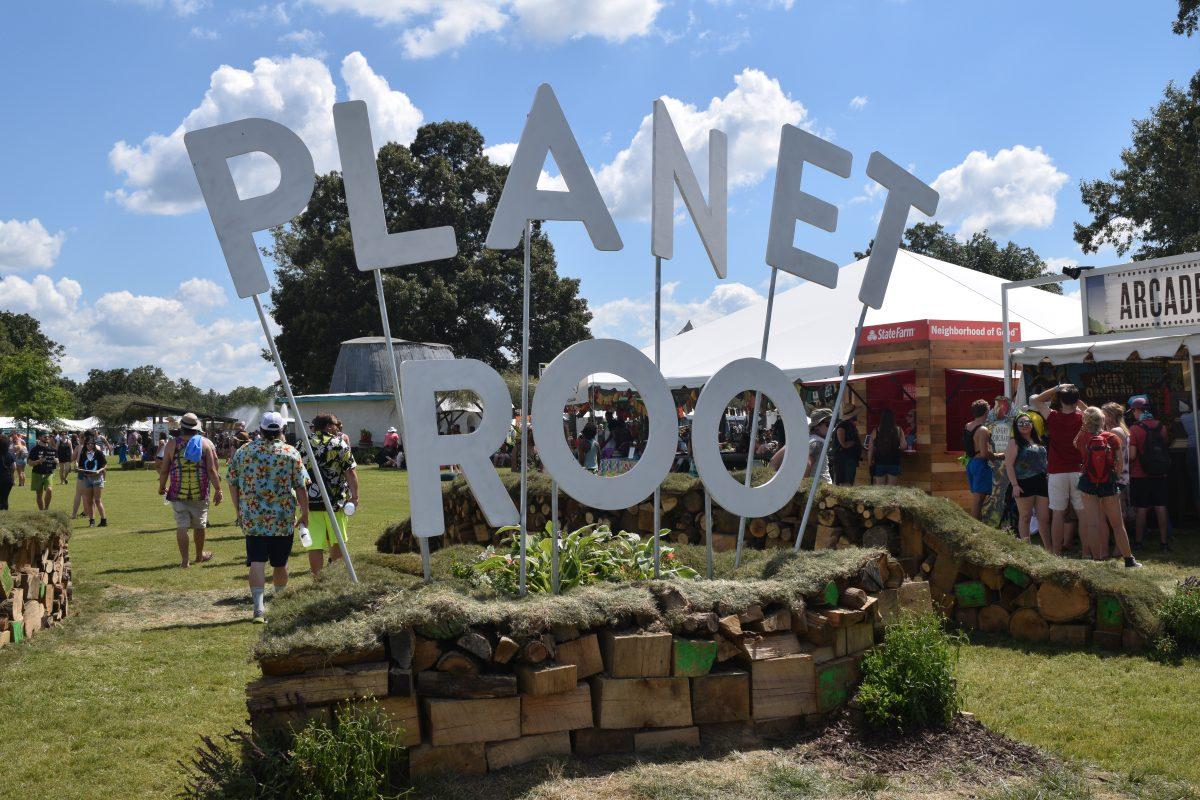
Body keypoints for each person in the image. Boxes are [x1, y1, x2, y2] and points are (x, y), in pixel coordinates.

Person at [227, 411, 309, 623]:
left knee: (256, 561)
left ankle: (258, 610)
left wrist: (238, 509)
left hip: (253, 517)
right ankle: (280, 605)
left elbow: (232, 481)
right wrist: (305, 513)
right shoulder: (290, 453)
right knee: (280, 564)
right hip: (282, 518)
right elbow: (301, 487)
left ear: (261, 429)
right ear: (281, 430)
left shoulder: (244, 451)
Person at [1074, 407, 1141, 568]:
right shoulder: (1111, 437)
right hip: (1108, 482)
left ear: (1085, 421)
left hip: (1088, 482)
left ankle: (1097, 561)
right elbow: (1119, 462)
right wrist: (1115, 478)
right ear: (1103, 420)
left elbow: (1075, 444)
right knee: (1117, 524)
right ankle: (1129, 559)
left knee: (1093, 523)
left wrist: (1083, 427)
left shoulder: (1083, 437)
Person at [157, 413, 222, 568]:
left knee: (182, 526)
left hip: (177, 492)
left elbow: (164, 469)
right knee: (200, 525)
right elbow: (212, 470)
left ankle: (185, 561)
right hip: (200, 492)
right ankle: (199, 557)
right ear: (196, 428)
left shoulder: (171, 444)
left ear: (182, 427)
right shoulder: (206, 443)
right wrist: (218, 489)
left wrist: (161, 486)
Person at [1029, 384, 1088, 555]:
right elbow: (1095, 412)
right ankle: (1086, 551)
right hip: (1078, 469)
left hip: (1057, 471)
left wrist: (1056, 388)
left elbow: (1034, 399)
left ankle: (1056, 552)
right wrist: (1079, 402)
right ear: (1076, 401)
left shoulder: (1052, 416)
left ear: (1060, 400)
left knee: (1057, 514)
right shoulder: (1083, 417)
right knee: (1082, 513)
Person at [305, 412, 358, 579]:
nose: (338, 428)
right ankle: (335, 579)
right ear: (328, 426)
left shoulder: (303, 444)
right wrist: (355, 496)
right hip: (335, 501)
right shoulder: (339, 443)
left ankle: (318, 580)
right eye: (335, 425)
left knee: (314, 545)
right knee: (337, 541)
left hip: (311, 502)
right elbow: (350, 472)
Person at [1127, 397, 1171, 551]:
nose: (1132, 413)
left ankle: (1138, 543)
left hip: (1140, 474)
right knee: (1161, 506)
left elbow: (1132, 455)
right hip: (1159, 473)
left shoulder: (1134, 429)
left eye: (1133, 410)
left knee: (1141, 508)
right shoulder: (1161, 427)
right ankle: (1164, 542)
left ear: (1138, 410)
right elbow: (1164, 446)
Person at [1004, 413, 1049, 546]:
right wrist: (1015, 485)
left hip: (1041, 482)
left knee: (1044, 518)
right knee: (1025, 517)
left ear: (1032, 424)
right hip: (1023, 483)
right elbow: (1009, 465)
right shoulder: (1014, 442)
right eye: (1021, 423)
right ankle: (1026, 548)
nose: (1025, 425)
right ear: (1015, 427)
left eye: (1027, 422)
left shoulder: (1038, 440)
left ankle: (1049, 549)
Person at [772, 407, 834, 485]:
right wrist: (803, 489)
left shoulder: (800, 440)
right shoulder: (818, 443)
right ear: (817, 426)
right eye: (828, 424)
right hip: (820, 490)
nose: (832, 428)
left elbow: (774, 461)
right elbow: (807, 464)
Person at [963, 399, 996, 520]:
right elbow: (984, 453)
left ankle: (978, 526)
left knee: (978, 499)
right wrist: (998, 456)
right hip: (980, 465)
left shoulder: (968, 425)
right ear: (986, 412)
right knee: (978, 500)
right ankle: (974, 530)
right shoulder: (983, 430)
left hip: (970, 463)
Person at [867, 408, 905, 486]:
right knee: (891, 490)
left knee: (880, 490)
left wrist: (870, 463)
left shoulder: (875, 431)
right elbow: (903, 446)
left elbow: (870, 450)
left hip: (880, 462)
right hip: (894, 462)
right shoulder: (898, 430)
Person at [77, 436, 108, 527]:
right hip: (87, 478)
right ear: (85, 444)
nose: (90, 445)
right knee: (89, 501)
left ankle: (103, 520)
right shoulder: (83, 454)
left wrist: (99, 470)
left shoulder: (98, 453)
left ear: (94, 445)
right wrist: (78, 469)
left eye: (92, 444)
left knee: (97, 500)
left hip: (97, 478)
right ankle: (92, 520)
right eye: (88, 443)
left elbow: (105, 465)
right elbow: (81, 466)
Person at [831, 406, 861, 486]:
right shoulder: (843, 425)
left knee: (848, 482)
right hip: (844, 460)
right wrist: (853, 443)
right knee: (845, 483)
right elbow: (843, 444)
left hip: (848, 459)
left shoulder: (848, 425)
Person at [27, 433, 58, 510]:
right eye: (45, 436)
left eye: (48, 436)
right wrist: (38, 461)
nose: (47, 437)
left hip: (48, 473)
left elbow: (57, 462)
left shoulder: (53, 449)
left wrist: (56, 461)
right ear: (40, 437)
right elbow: (30, 463)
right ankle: (41, 512)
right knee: (39, 495)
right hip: (37, 473)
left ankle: (46, 509)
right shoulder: (35, 449)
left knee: (49, 490)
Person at [0, 438, 13, 510]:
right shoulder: (9, 454)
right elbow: (13, 467)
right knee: (5, 498)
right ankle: (5, 512)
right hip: (7, 478)